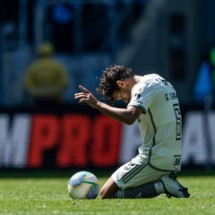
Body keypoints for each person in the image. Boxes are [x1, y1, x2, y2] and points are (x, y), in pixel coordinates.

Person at [74, 65, 190, 199]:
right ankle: (164, 182)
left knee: (105, 193)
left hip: (154, 158)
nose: (126, 101)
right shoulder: (158, 80)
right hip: (173, 157)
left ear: (121, 83)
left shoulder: (142, 87)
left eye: (121, 97)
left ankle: (162, 185)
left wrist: (98, 104)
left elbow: (129, 117)